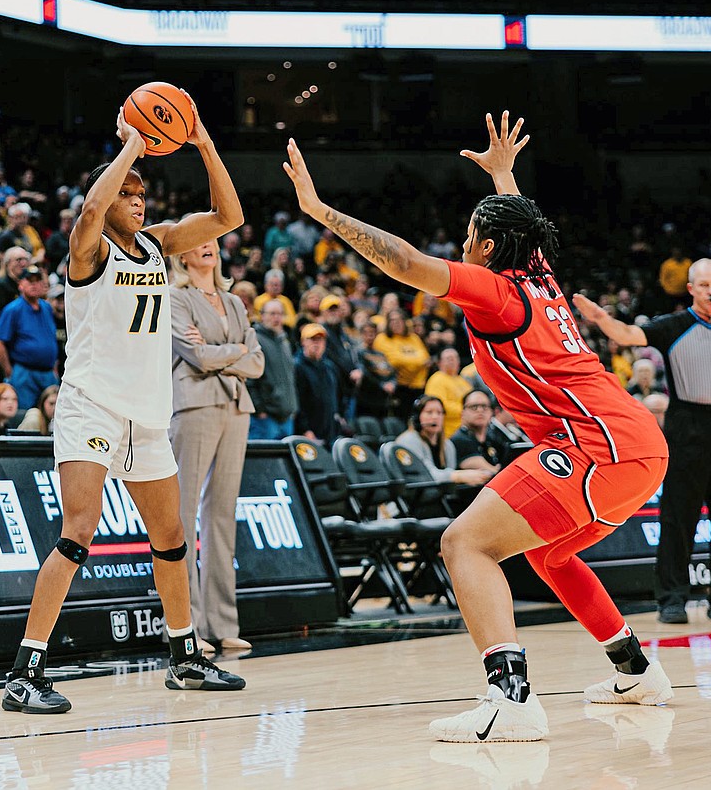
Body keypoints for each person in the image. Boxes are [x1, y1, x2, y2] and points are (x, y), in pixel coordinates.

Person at [283, 111, 672, 743]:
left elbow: (406, 262)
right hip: (639, 446)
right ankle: (636, 669)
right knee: (549, 553)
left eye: (470, 233)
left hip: (594, 446)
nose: (463, 243)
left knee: (464, 543)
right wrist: (503, 175)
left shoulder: (494, 290)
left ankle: (511, 697)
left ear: (487, 248)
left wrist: (321, 210)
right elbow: (522, 221)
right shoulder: (540, 276)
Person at [3, 100, 246, 714]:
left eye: (144, 193)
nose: (140, 201)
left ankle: (185, 657)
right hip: (91, 406)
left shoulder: (160, 245)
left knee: (170, 538)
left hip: (147, 415)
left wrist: (203, 140)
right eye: (130, 193)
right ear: (109, 198)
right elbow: (87, 208)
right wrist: (134, 145)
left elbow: (228, 214)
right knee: (78, 532)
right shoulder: (88, 249)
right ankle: (24, 671)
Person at [574, 258, 711, 624]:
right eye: (704, 284)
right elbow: (629, 335)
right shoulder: (673, 325)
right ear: (692, 288)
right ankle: (672, 598)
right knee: (679, 515)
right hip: (686, 421)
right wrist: (601, 319)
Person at [169, 237, 263, 653]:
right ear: (182, 254)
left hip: (236, 405)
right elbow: (195, 357)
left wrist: (221, 351)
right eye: (197, 242)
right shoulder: (175, 297)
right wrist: (235, 351)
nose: (208, 246)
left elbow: (257, 362)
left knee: (222, 515)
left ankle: (223, 622)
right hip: (193, 404)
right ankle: (185, 626)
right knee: (182, 514)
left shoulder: (236, 301)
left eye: (212, 240)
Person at [0, 264, 59, 409]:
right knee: (24, 413)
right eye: (30, 281)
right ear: (20, 284)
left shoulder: (47, 308)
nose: (34, 285)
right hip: (24, 372)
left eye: (38, 281)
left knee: (53, 416)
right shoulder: (13, 309)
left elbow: (51, 340)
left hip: (47, 372)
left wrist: (54, 367)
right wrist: (9, 372)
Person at [246, 299, 299, 440]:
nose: (277, 318)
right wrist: (259, 410)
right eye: (272, 314)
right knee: (262, 461)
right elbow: (249, 379)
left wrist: (293, 407)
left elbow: (291, 378)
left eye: (280, 314)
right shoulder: (255, 339)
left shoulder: (285, 342)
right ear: (262, 315)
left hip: (287, 417)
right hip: (266, 418)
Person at [293, 323, 339, 445]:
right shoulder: (297, 366)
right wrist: (305, 429)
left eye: (320, 339)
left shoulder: (329, 367)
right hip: (308, 434)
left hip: (329, 432)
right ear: (303, 342)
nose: (317, 343)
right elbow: (297, 401)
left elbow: (337, 395)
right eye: (312, 339)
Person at [451, 389, 509, 476]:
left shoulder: (494, 438)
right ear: (462, 413)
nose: (480, 410)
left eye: (484, 407)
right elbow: (494, 472)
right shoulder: (459, 439)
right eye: (474, 407)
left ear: (491, 412)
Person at [424, 347, 473, 437]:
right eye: (448, 358)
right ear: (439, 362)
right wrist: (466, 411)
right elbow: (438, 405)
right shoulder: (436, 379)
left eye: (455, 358)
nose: (452, 361)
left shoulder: (463, 381)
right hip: (449, 433)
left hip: (467, 429)